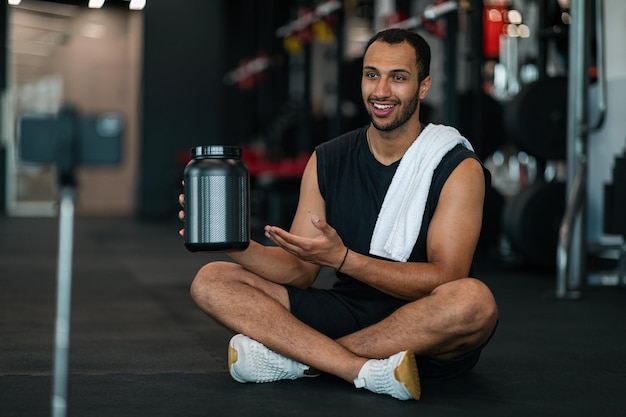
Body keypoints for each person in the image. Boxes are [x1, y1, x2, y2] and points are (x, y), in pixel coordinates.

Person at [178, 28, 498, 401]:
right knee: (212, 279)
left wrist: (344, 260)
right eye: (371, 74)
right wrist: (229, 240)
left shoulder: (456, 166)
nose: (380, 91)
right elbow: (300, 271)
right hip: (346, 309)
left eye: (398, 78)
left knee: (473, 302)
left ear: (423, 87)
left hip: (425, 323)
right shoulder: (328, 159)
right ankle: (357, 368)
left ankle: (301, 362)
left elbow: (446, 276)